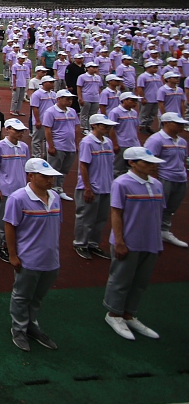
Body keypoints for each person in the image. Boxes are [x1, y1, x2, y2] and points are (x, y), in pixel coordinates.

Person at [102, 147, 166, 341]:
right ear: (132, 163)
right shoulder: (122, 183)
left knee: (140, 282)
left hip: (150, 241)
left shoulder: (156, 184)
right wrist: (119, 241)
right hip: (129, 240)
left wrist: (158, 240)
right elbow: (116, 213)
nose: (151, 166)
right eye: (146, 163)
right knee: (121, 279)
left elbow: (157, 214)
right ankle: (114, 314)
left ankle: (129, 314)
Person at [3, 158, 63, 352]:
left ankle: (32, 324)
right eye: (45, 176)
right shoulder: (18, 198)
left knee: (37, 297)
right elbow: (10, 227)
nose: (50, 180)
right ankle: (19, 328)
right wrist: (13, 255)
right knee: (22, 295)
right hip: (29, 258)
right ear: (31, 176)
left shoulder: (55, 197)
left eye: (51, 177)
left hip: (50, 259)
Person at [73, 114, 118, 260]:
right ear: (94, 126)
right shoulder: (87, 142)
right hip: (91, 186)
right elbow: (84, 166)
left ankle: (93, 243)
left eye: (108, 126)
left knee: (100, 218)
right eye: (104, 126)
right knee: (86, 217)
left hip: (106, 186)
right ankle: (80, 243)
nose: (107, 128)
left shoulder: (108, 142)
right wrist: (87, 187)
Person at [143, 112, 188, 247]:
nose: (181, 126)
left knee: (171, 208)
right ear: (166, 123)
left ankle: (164, 231)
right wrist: (153, 181)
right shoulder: (156, 140)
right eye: (178, 124)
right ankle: (149, 232)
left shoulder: (182, 141)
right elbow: (148, 162)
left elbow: (183, 160)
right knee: (156, 207)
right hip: (164, 179)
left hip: (180, 179)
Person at [0, 119, 31, 262]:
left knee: (17, 219)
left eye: (22, 131)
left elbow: (27, 168)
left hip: (21, 191)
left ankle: (10, 244)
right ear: (7, 129)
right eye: (17, 130)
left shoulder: (24, 147)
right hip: (6, 190)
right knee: (0, 219)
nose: (20, 133)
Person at [43, 89, 80, 201]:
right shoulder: (50, 112)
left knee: (64, 170)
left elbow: (76, 127)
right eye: (67, 99)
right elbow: (48, 130)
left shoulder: (72, 111)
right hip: (58, 145)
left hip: (70, 146)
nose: (70, 101)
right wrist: (51, 146)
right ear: (58, 99)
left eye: (71, 99)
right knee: (53, 169)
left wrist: (76, 143)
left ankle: (59, 188)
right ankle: (50, 189)